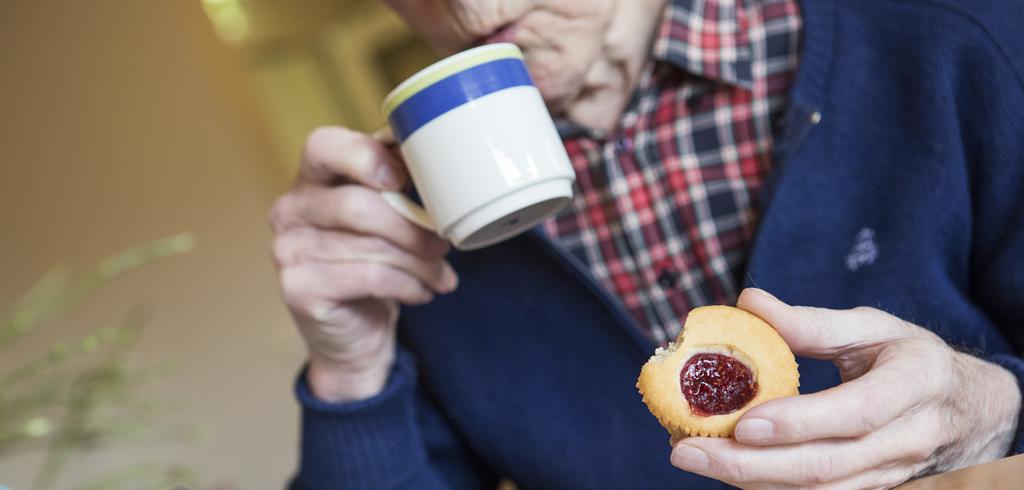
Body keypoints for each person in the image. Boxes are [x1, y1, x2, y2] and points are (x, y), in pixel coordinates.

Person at [269, 0, 1024, 488]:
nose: (466, 6)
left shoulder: (958, 41)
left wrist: (991, 410)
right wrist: (352, 372)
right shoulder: (417, 237)